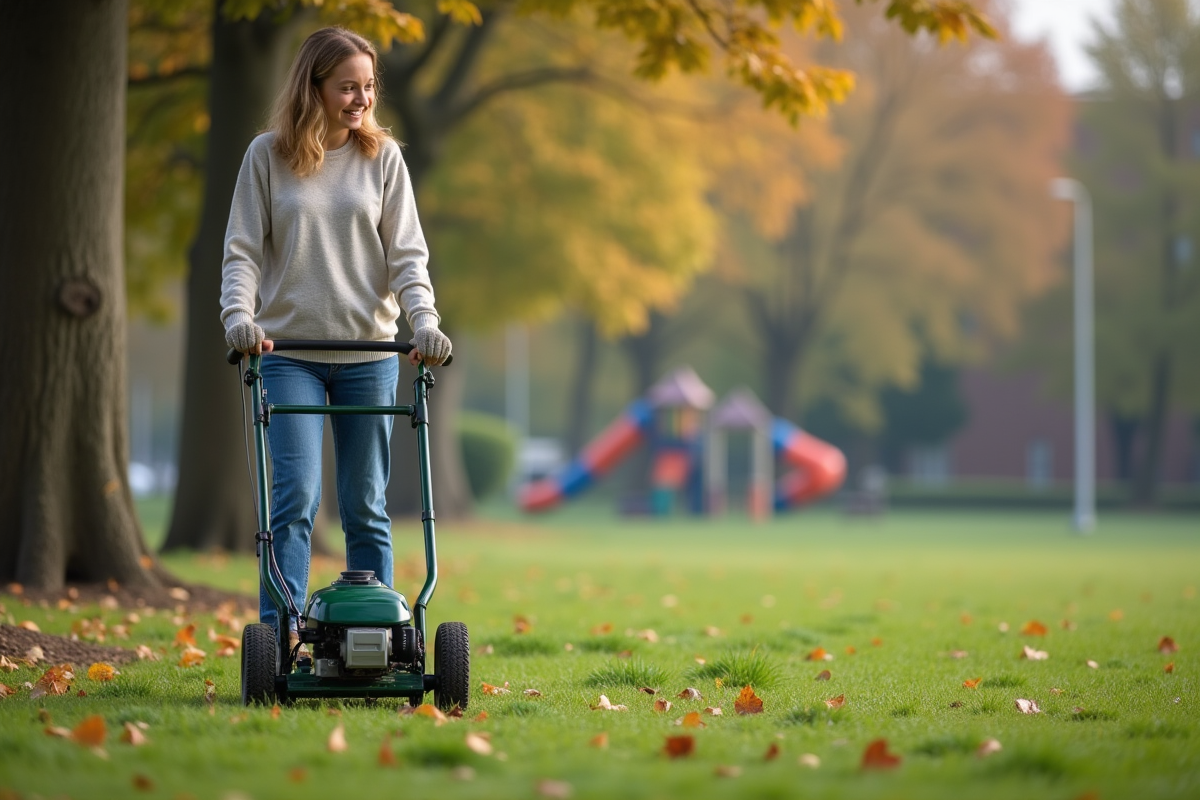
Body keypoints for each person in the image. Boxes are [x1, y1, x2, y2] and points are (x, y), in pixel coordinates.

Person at [219, 27, 451, 654]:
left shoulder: (385, 159)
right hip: (286, 353)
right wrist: (238, 316)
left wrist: (423, 322)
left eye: (369, 87)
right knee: (294, 498)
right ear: (313, 87)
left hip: (368, 355)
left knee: (365, 503)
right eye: (348, 87)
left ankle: (379, 637)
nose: (361, 99)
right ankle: (279, 637)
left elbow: (407, 257)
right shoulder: (265, 157)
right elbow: (241, 251)